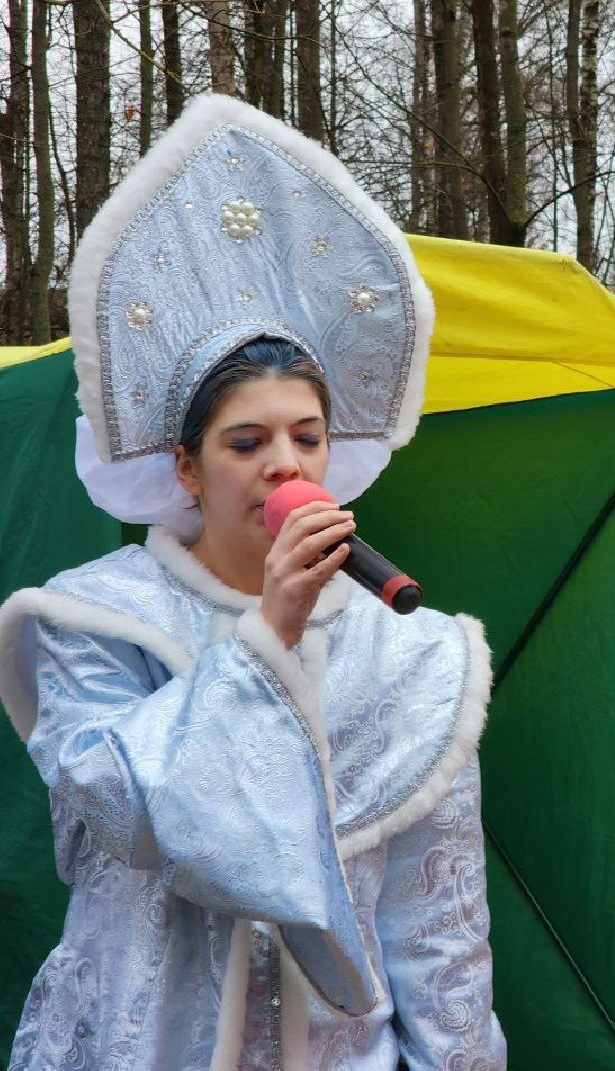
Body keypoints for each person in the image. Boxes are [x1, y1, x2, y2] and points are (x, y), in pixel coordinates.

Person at [0, 95, 505, 1069]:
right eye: (247, 441)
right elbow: (137, 808)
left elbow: (440, 928)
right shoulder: (93, 621)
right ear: (185, 469)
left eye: (306, 437)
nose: (285, 464)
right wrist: (270, 631)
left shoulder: (410, 652)